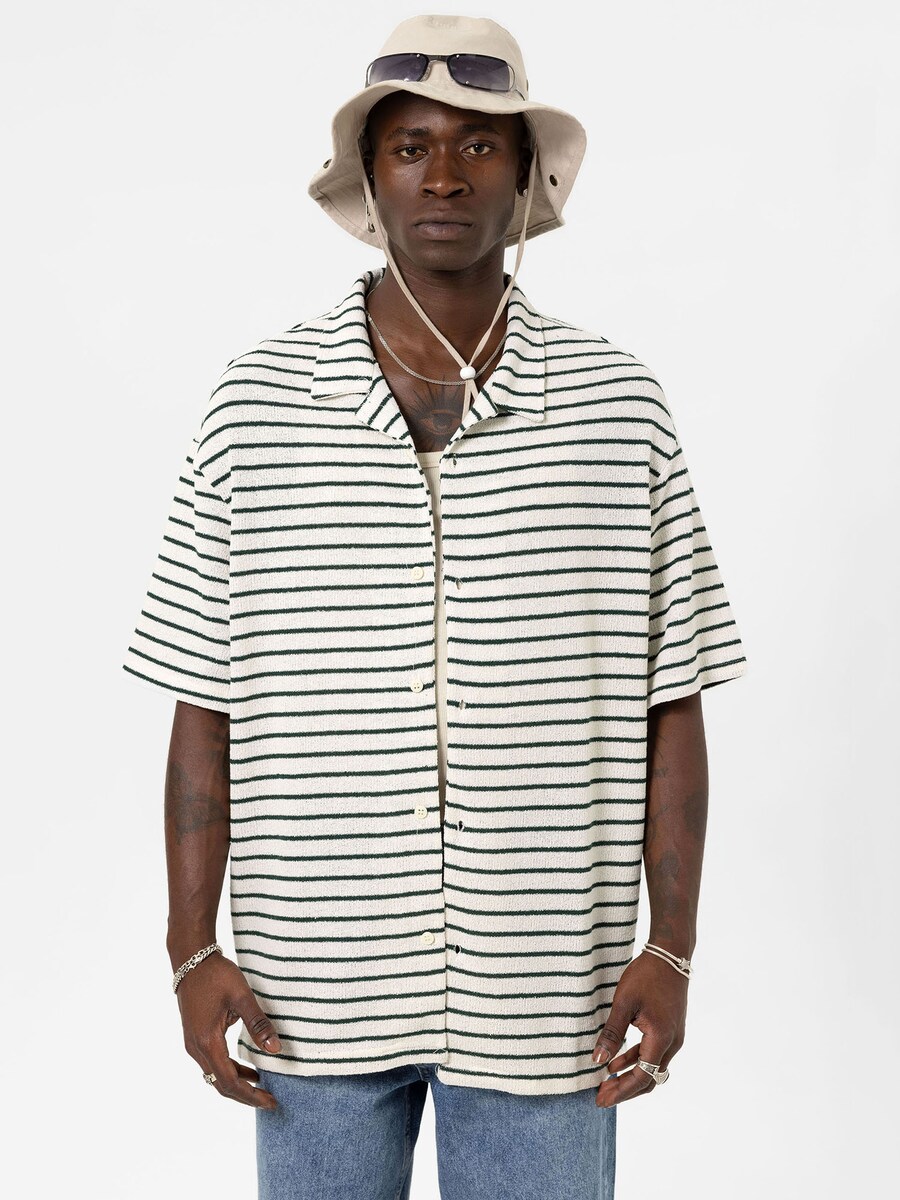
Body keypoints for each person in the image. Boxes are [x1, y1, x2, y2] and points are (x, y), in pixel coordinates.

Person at [122, 13, 748, 1200]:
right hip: (311, 989)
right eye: (411, 146)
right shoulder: (255, 405)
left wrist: (671, 948)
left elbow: (673, 699)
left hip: (546, 993)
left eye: (478, 144)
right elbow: (204, 699)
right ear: (369, 178)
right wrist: (189, 947)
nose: (445, 175)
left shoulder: (620, 408)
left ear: (527, 173)